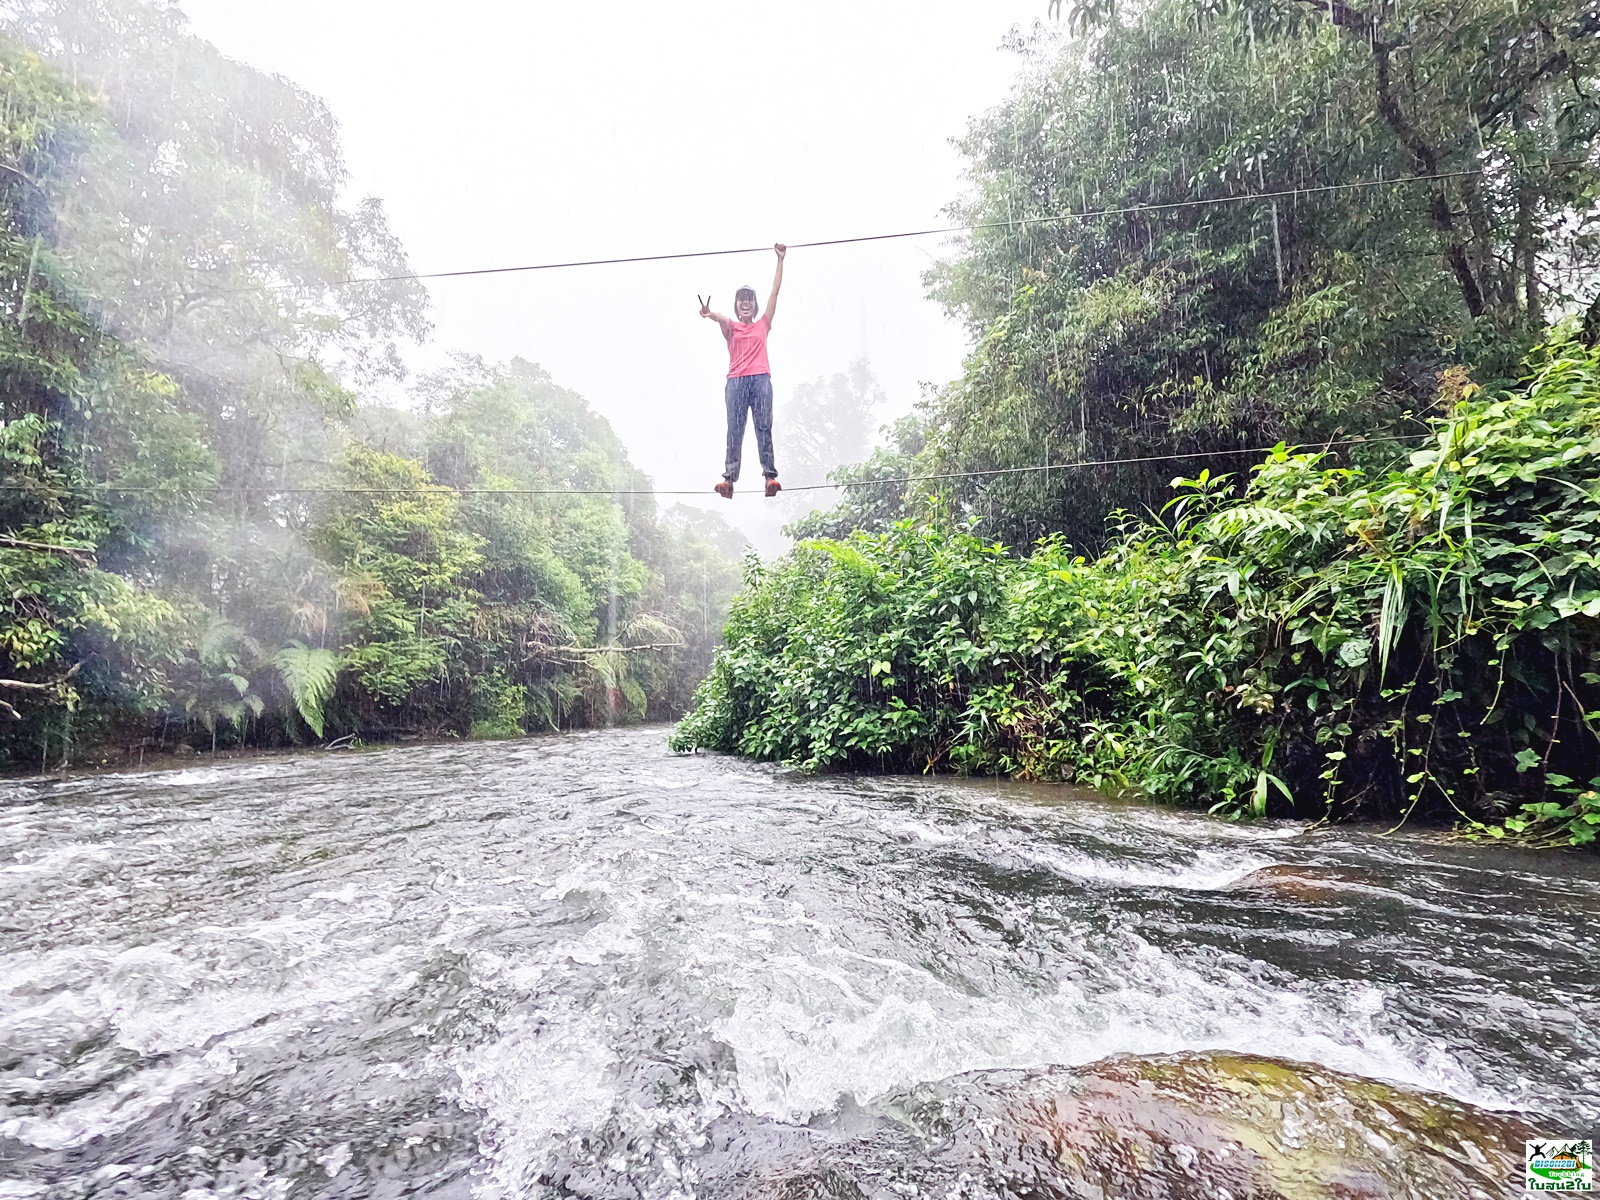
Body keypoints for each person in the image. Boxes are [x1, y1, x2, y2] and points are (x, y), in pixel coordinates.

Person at [700, 244, 785, 498]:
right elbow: (721, 318)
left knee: (763, 427)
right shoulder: (732, 328)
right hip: (736, 382)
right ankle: (729, 480)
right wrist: (709, 313)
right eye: (741, 299)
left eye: (749, 299)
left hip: (760, 380)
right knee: (735, 430)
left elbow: (774, 294)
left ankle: (770, 477)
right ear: (737, 305)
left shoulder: (763, 324)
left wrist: (780, 260)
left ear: (754, 305)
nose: (746, 303)